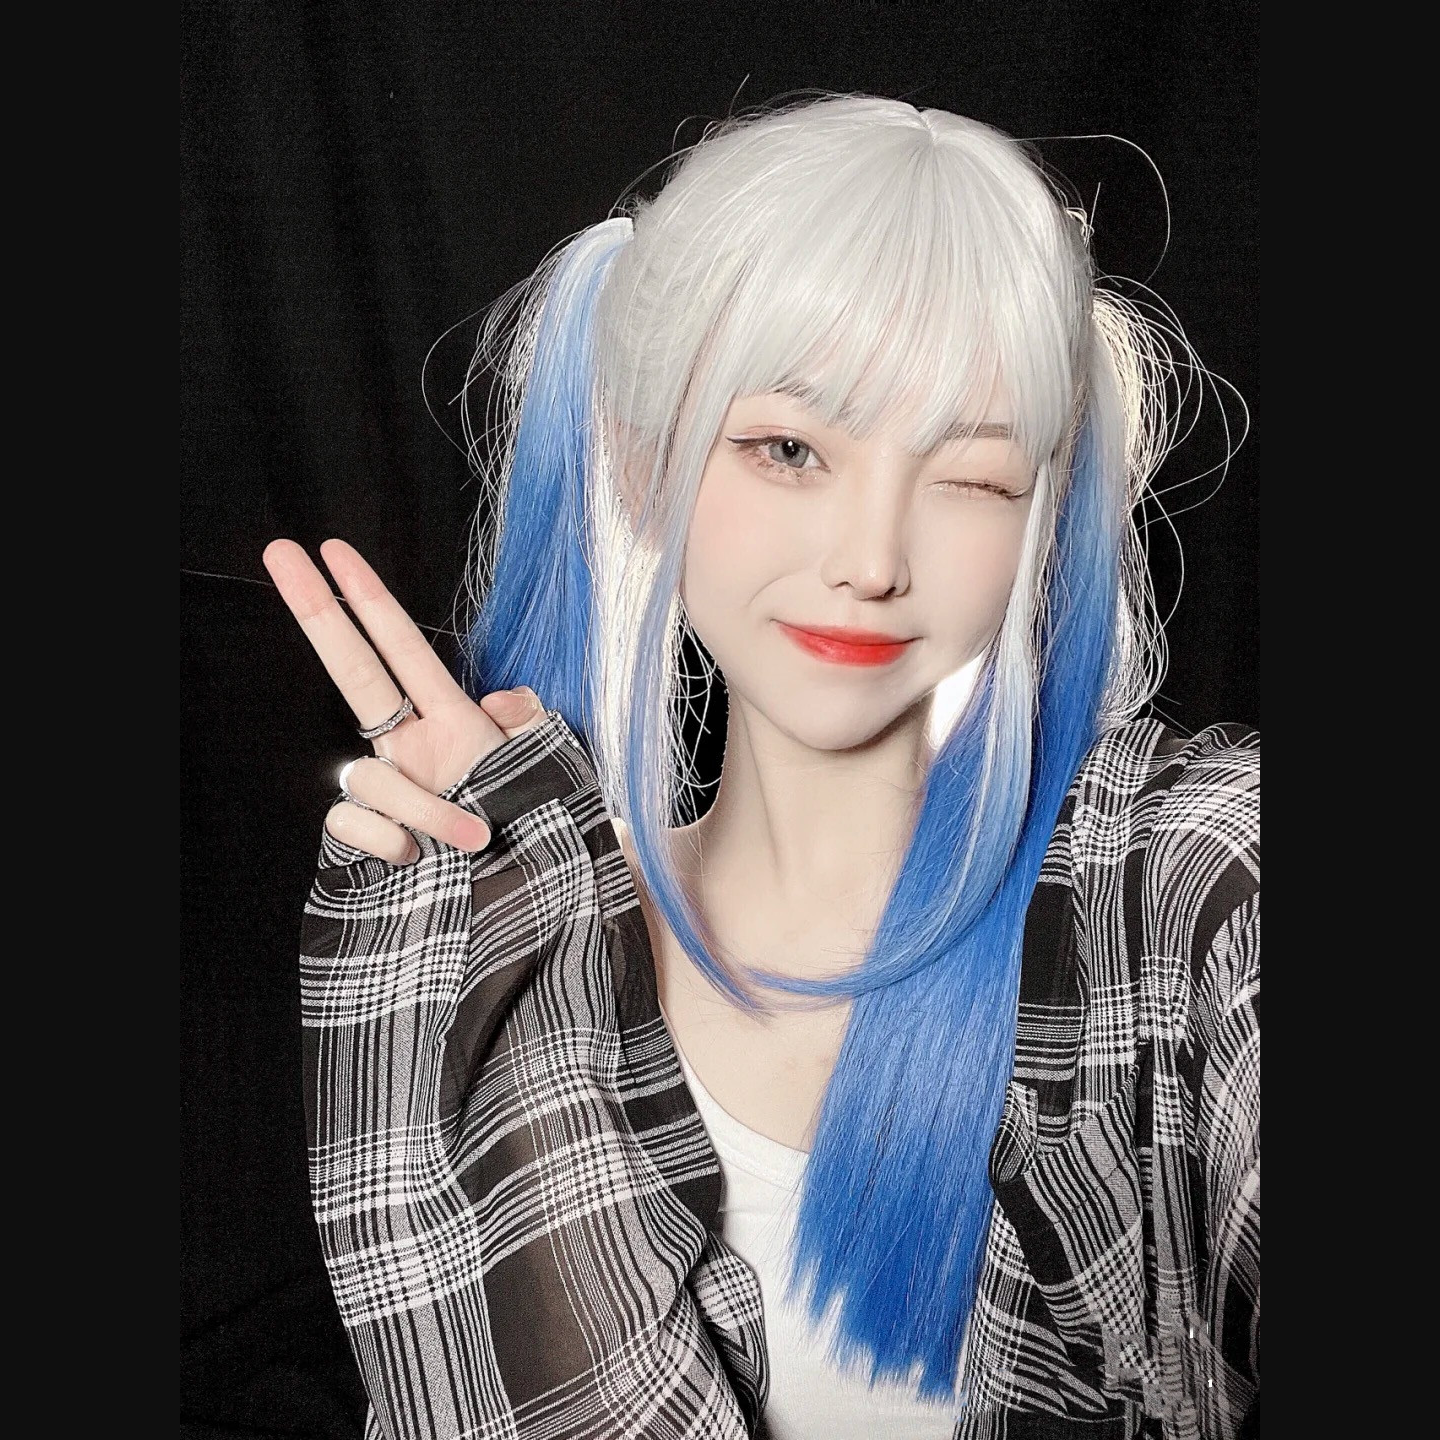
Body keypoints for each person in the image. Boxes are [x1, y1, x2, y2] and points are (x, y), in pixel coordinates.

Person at [264, 95, 1259, 1440]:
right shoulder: (513, 945)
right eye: (789, 450)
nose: (872, 557)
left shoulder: (1177, 884)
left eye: (972, 477)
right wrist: (479, 962)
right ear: (642, 464)